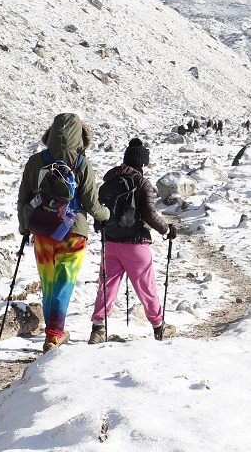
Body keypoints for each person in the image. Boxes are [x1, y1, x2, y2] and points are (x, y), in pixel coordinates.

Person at [16, 112, 110, 352]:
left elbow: (24, 197)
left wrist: (24, 226)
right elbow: (90, 202)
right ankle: (54, 335)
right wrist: (105, 215)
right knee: (63, 283)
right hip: (73, 231)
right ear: (80, 136)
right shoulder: (81, 163)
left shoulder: (36, 161)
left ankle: (53, 333)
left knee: (48, 283)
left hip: (42, 230)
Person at [89, 138, 177, 343]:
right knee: (146, 287)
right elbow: (149, 215)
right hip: (136, 244)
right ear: (142, 163)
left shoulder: (109, 181)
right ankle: (158, 326)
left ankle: (98, 329)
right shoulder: (142, 183)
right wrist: (167, 230)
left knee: (107, 286)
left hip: (109, 242)